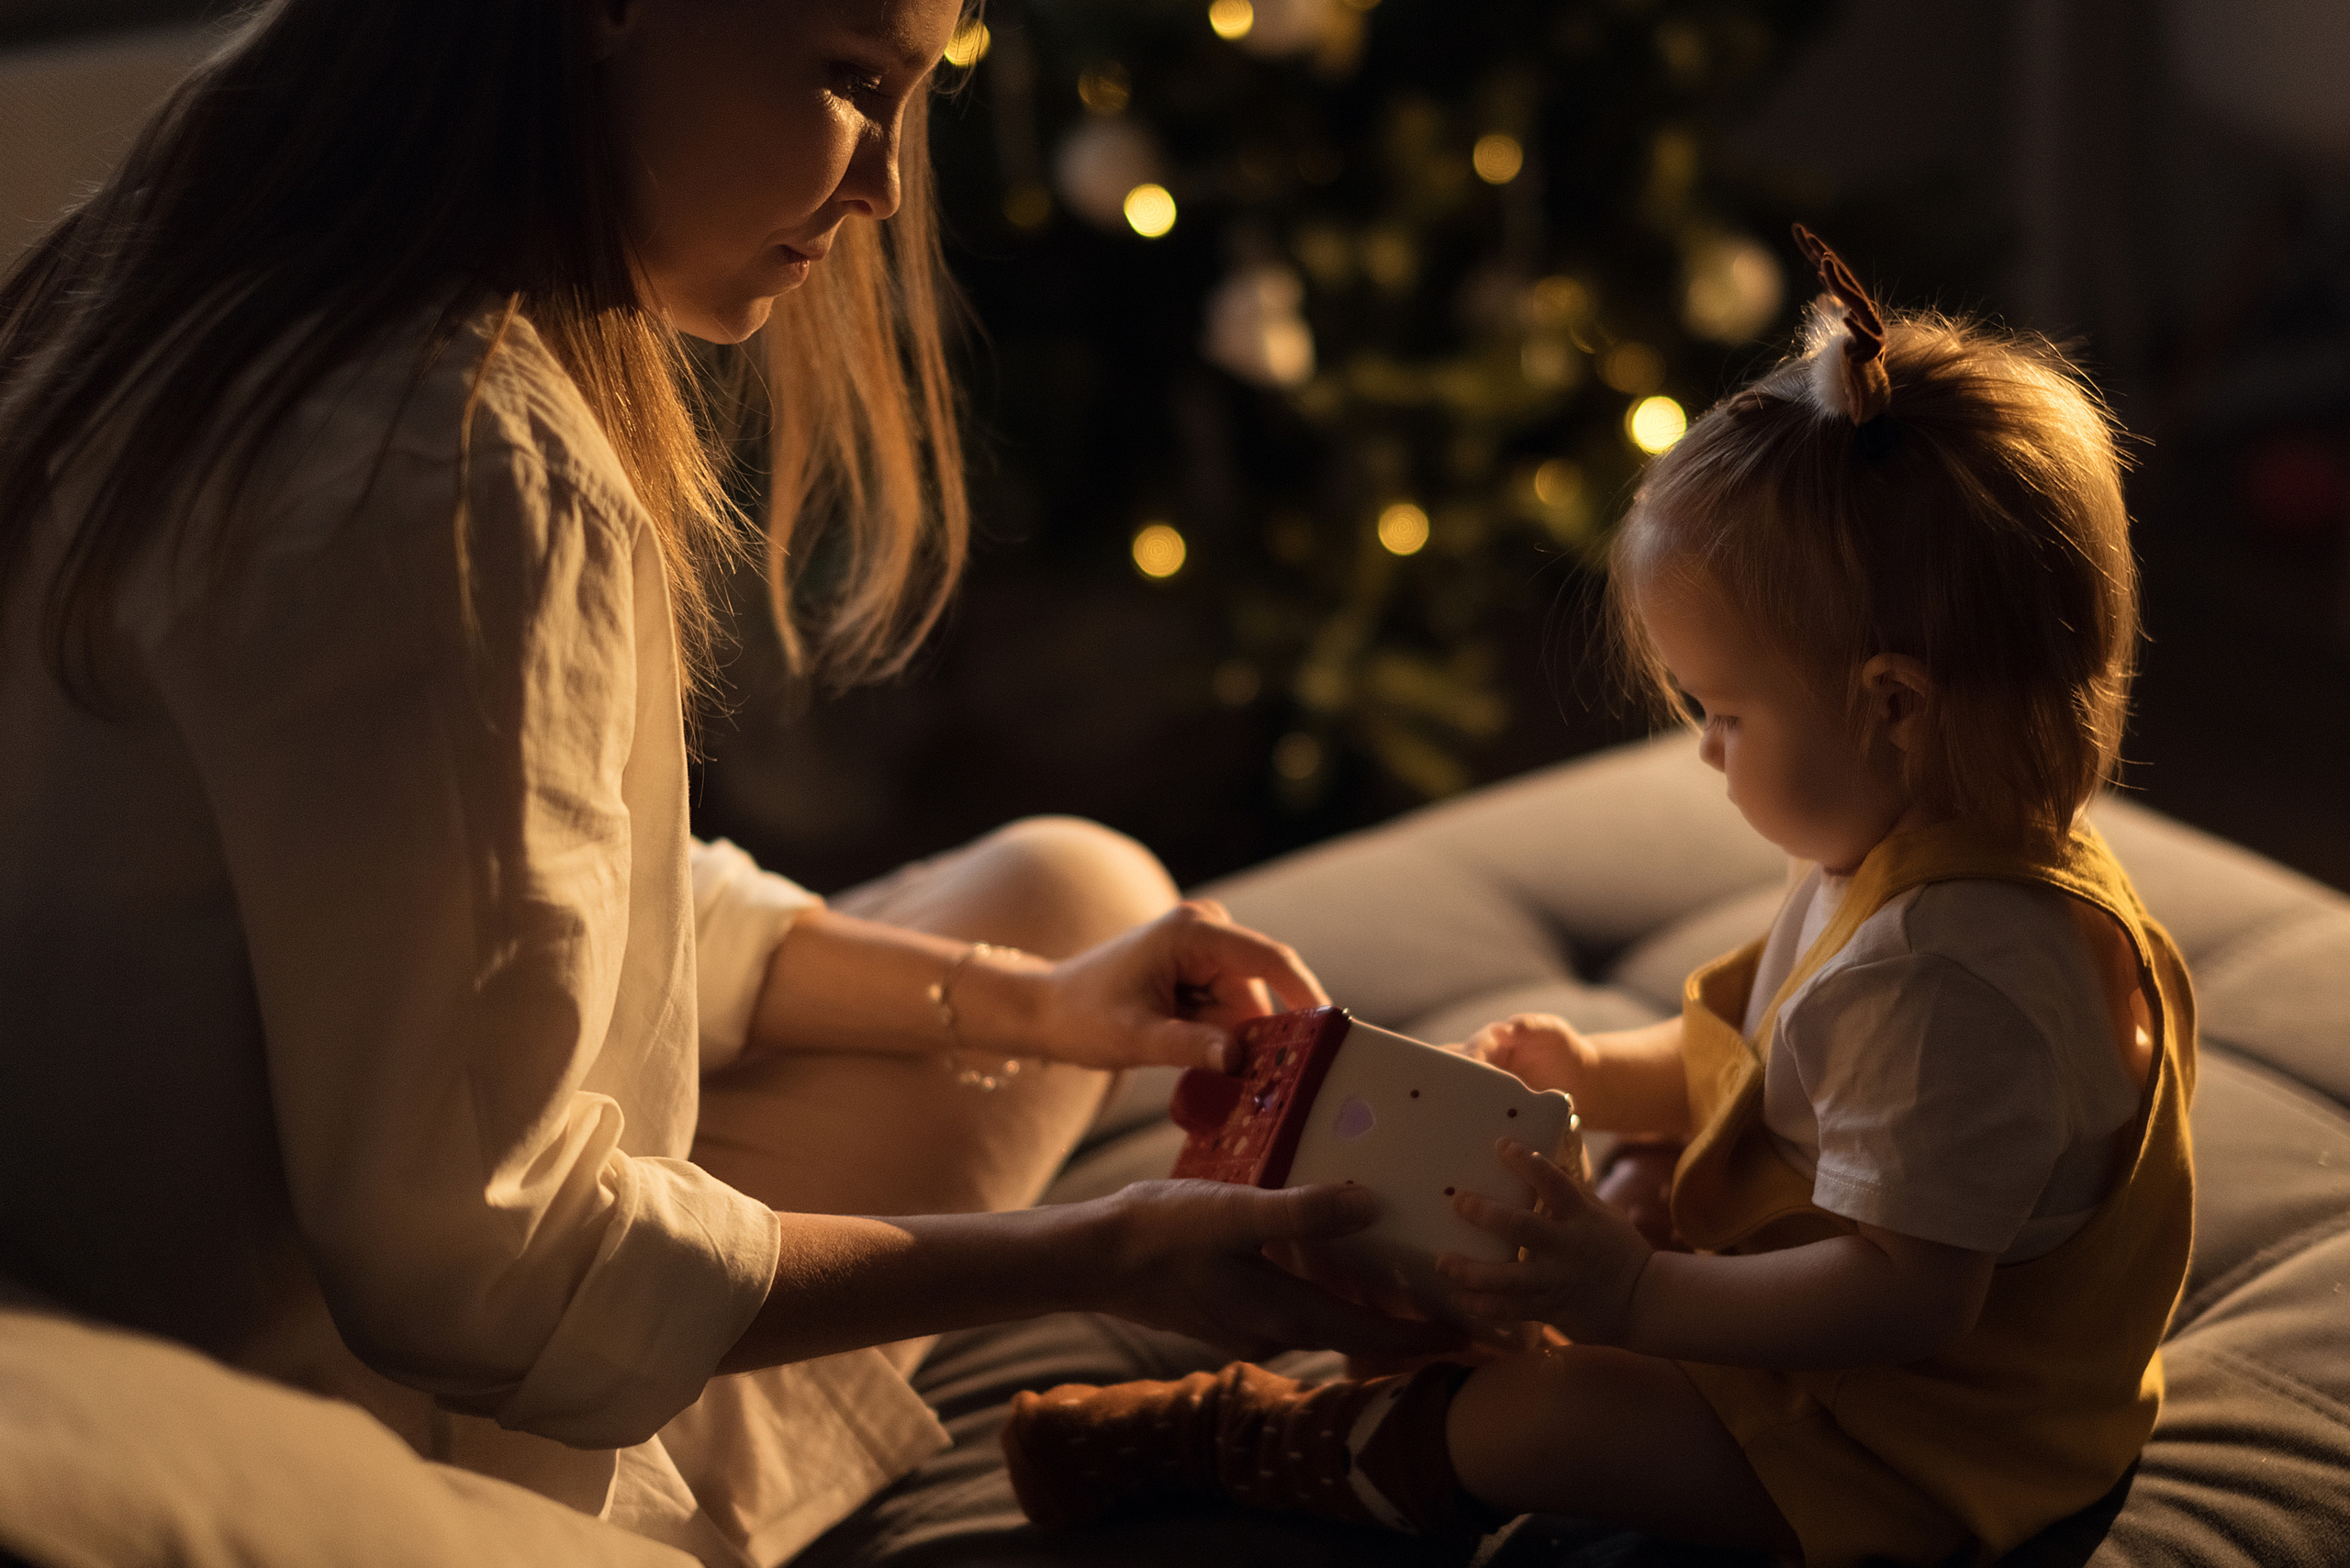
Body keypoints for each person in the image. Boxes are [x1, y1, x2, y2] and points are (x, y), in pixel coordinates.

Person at [0, 2, 1450, 1562]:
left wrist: (1034, 1008)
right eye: (850, 83)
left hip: (159, 1247)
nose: (888, 185)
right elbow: (494, 1274)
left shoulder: (167, 266)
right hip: (346, 1438)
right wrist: (1099, 1255)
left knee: (1069, 896)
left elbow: (508, 889)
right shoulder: (454, 466)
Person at [1000, 228, 2199, 1567]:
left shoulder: (1951, 981)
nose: (1704, 750)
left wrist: (1636, 1295)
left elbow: (1905, 1300)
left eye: (1726, 713)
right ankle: (1464, 1334)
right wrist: (1596, 1074)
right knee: (1623, 1178)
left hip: (1925, 1447)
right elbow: (1760, 1069)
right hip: (1846, 1336)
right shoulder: (1921, 854)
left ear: (1894, 708)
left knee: (1541, 1418)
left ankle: (1281, 1440)